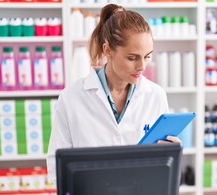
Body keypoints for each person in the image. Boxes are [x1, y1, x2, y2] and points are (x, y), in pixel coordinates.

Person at [47, 4, 180, 181]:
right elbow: (56, 165)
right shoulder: (71, 98)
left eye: (147, 56)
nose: (142, 66)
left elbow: (161, 164)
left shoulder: (156, 95)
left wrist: (172, 153)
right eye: (132, 58)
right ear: (108, 50)